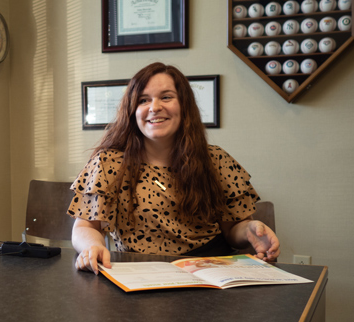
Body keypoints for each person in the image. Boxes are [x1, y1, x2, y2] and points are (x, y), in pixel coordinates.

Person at [68, 62, 280, 274]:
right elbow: (85, 227)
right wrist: (92, 246)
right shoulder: (107, 163)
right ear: (132, 111)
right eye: (143, 100)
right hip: (140, 274)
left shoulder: (216, 159)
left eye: (166, 97)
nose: (154, 107)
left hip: (210, 271)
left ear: (184, 105)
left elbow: (232, 230)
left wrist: (249, 230)